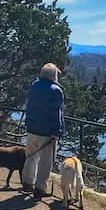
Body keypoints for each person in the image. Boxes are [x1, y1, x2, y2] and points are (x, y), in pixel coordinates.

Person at [22, 63, 64, 198]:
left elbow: (29, 107)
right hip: (46, 131)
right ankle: (40, 188)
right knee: (46, 161)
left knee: (30, 157)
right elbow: (56, 113)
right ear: (53, 75)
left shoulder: (34, 86)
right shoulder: (56, 90)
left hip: (32, 128)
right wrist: (56, 131)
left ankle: (27, 183)